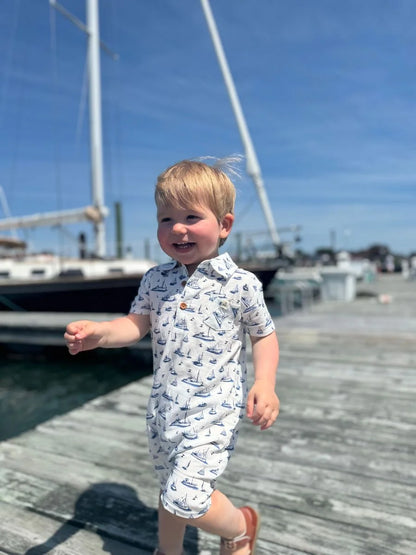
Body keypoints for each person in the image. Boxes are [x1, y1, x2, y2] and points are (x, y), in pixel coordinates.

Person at [64, 159, 280, 555]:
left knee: (187, 496)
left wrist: (265, 383)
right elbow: (135, 324)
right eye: (166, 219)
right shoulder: (156, 279)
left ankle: (238, 527)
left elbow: (263, 335)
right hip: (164, 410)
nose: (177, 228)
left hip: (214, 411)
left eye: (191, 217)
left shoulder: (240, 284)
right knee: (171, 488)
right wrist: (99, 333)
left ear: (225, 225)